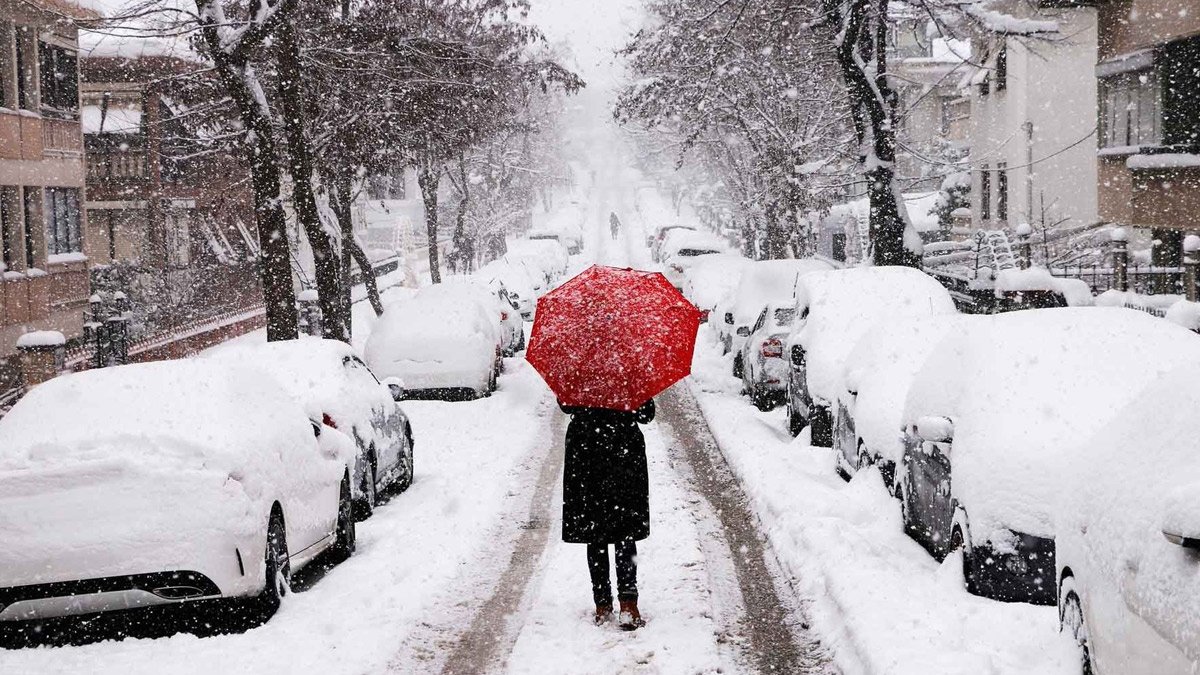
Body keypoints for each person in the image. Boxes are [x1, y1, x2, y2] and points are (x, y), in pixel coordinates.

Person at [559, 398, 655, 630]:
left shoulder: (580, 369)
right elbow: (646, 414)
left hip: (587, 453)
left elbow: (566, 404)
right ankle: (628, 603)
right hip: (623, 453)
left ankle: (602, 603)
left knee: (596, 532)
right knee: (624, 530)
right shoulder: (630, 371)